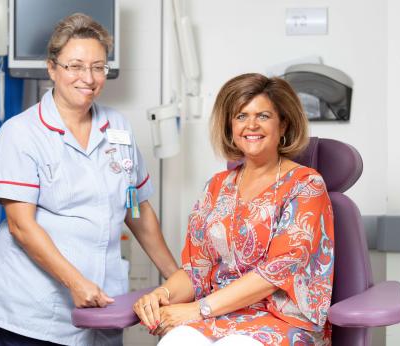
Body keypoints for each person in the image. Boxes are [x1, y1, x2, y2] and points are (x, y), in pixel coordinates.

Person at [0, 13, 178, 346]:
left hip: (103, 303)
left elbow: (136, 209)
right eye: (75, 66)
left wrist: (177, 277)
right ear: (52, 68)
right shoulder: (22, 133)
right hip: (33, 310)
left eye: (99, 67)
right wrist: (74, 282)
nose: (89, 77)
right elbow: (21, 226)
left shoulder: (118, 127)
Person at [134, 73, 335, 345]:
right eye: (241, 116)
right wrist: (162, 295)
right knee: (175, 340)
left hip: (281, 319)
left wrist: (197, 309)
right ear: (230, 126)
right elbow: (197, 268)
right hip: (221, 314)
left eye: (263, 116)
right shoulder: (216, 187)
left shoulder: (306, 185)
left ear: (283, 124)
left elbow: (274, 274)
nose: (251, 125)